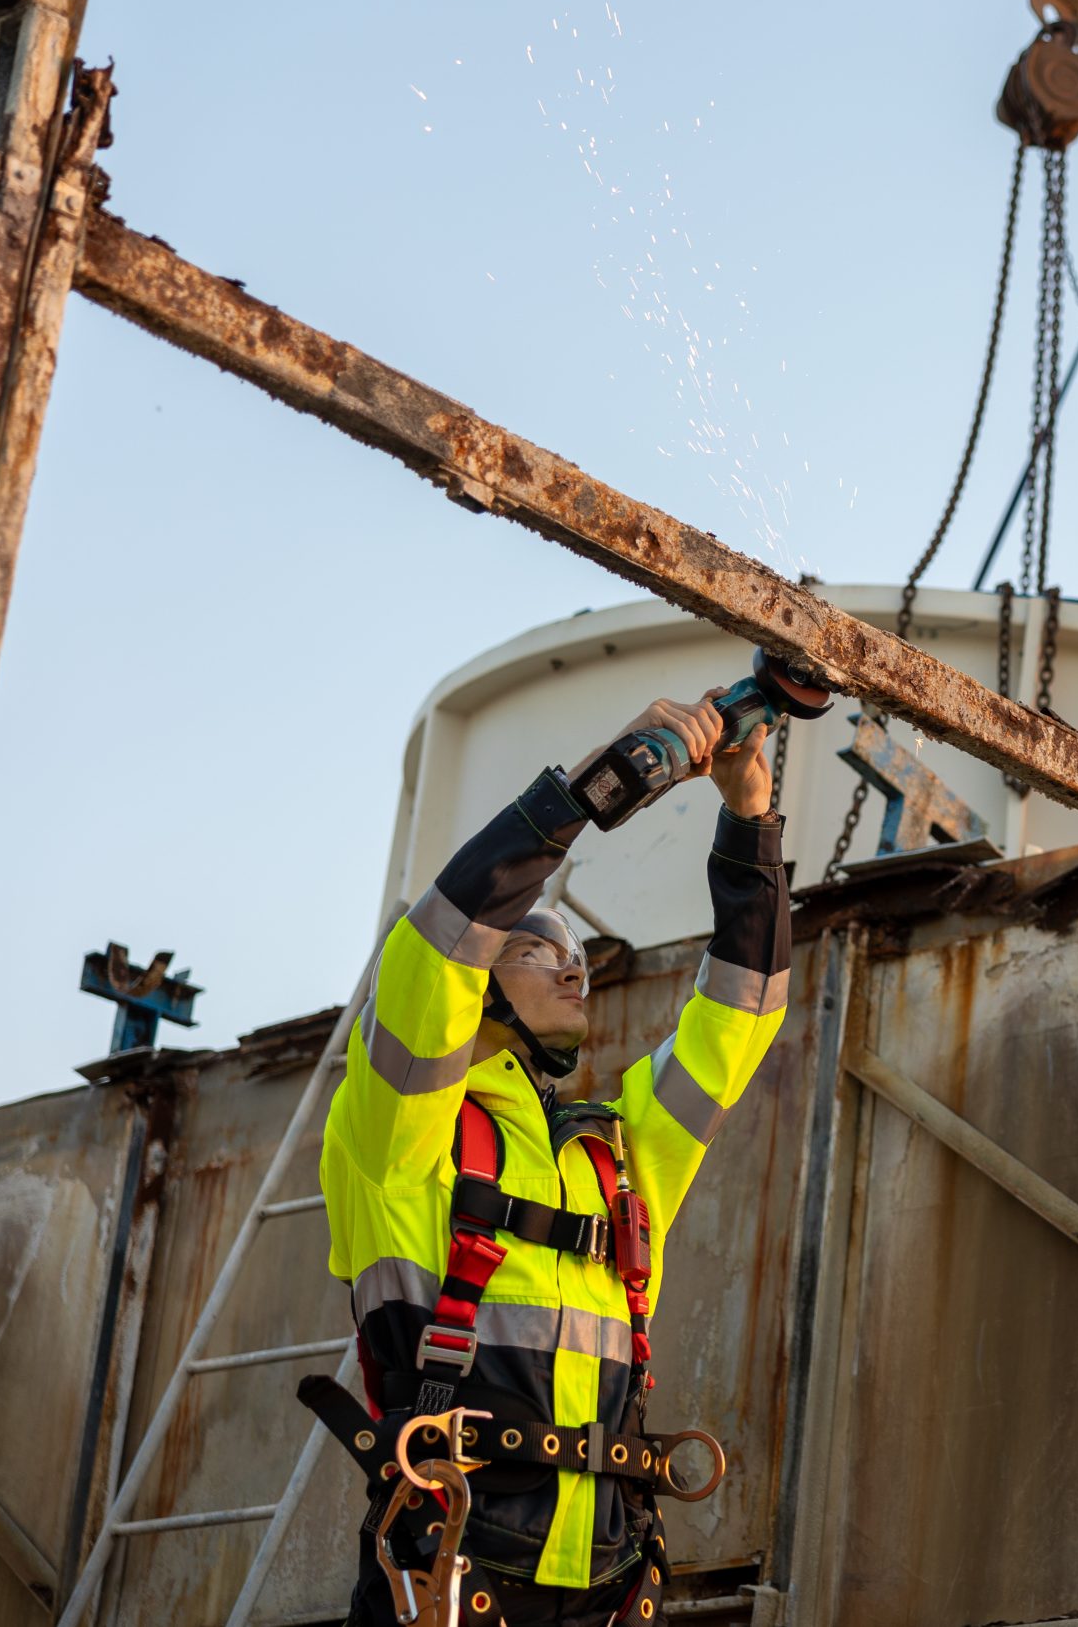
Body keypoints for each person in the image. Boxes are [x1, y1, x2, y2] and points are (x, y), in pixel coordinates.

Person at [308, 692, 792, 1626]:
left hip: (613, 1590)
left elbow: (743, 1015)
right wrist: (604, 783)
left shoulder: (616, 1154)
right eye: (541, 948)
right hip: (453, 1586)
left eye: (579, 956)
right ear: (482, 978)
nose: (576, 968)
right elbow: (439, 939)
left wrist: (750, 818)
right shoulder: (399, 1134)